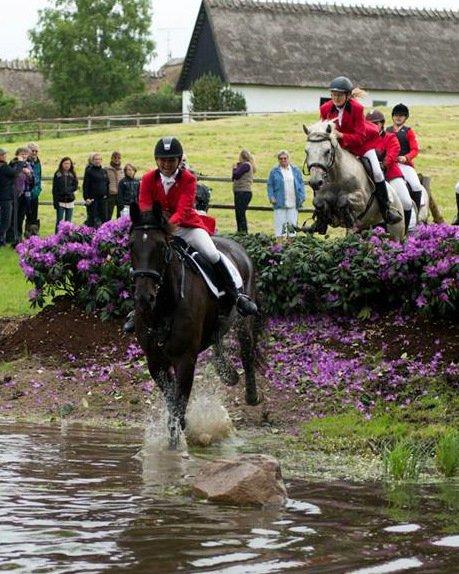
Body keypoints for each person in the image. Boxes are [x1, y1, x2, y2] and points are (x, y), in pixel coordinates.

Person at [123, 136, 257, 333]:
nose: (166, 164)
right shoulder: (148, 179)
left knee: (211, 253)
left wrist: (169, 225)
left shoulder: (188, 179)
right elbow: (145, 204)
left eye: (171, 160)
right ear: (157, 160)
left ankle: (237, 295)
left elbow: (185, 208)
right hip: (158, 229)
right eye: (162, 160)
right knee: (144, 260)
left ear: (178, 161)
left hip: (187, 227)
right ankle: (137, 310)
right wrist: (156, 225)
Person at [307, 76, 402, 233]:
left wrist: (342, 136)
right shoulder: (325, 108)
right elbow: (324, 131)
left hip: (361, 145)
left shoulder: (357, 108)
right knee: (320, 170)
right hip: (338, 148)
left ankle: (387, 209)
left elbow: (360, 136)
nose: (335, 98)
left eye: (339, 95)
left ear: (347, 95)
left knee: (377, 172)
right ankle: (320, 217)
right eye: (333, 94)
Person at [366, 110, 413, 234]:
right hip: (369, 176)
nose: (373, 126)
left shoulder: (390, 136)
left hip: (391, 174)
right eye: (369, 123)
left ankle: (405, 232)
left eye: (376, 123)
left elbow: (393, 153)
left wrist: (383, 165)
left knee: (406, 202)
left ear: (382, 124)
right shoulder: (365, 139)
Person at [386, 104, 424, 211]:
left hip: (405, 165)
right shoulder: (387, 130)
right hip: (390, 164)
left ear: (405, 117)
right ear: (392, 116)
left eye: (401, 116)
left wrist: (406, 158)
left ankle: (416, 211)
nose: (398, 117)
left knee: (416, 186)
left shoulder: (408, 131)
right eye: (396, 115)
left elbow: (415, 150)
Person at [267, 150, 305, 238]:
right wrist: (271, 196)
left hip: (293, 202)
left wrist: (302, 196)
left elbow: (301, 183)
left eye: (285, 158)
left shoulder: (295, 170)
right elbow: (270, 185)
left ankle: (291, 247)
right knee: (280, 226)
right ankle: (280, 247)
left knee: (292, 226)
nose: (283, 160)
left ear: (288, 159)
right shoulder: (274, 171)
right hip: (279, 202)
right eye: (281, 159)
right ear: (278, 160)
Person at [8, 147, 34, 245]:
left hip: (25, 194)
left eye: (25, 154)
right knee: (13, 216)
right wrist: (21, 169)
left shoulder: (28, 165)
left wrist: (29, 174)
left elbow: (32, 180)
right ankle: (12, 237)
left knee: (21, 216)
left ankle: (19, 236)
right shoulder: (12, 164)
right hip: (14, 193)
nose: (24, 155)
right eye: (22, 154)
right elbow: (11, 176)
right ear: (17, 154)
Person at [232, 149, 256, 234]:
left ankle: (243, 232)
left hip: (242, 192)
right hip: (242, 192)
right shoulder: (247, 165)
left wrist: (235, 168)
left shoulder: (246, 165)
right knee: (239, 213)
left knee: (240, 214)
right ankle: (242, 231)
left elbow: (236, 175)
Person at [52, 157, 78, 232]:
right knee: (59, 221)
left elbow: (75, 185)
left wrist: (69, 190)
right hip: (60, 201)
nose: (67, 165)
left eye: (69, 163)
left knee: (68, 221)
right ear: (62, 164)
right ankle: (57, 237)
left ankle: (67, 238)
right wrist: (55, 201)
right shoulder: (58, 174)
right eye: (65, 163)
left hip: (70, 200)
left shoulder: (72, 174)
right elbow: (55, 189)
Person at [83, 152, 109, 227]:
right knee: (92, 220)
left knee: (104, 219)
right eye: (96, 159)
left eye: (99, 159)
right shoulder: (89, 171)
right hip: (93, 200)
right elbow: (85, 185)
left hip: (103, 199)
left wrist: (106, 195)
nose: (97, 161)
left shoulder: (104, 171)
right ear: (93, 161)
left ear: (101, 160)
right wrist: (86, 198)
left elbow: (107, 183)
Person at [0, 148, 17, 246]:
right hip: (5, 196)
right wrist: (20, 164)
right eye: (4, 155)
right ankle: (1, 239)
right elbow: (15, 173)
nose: (5, 157)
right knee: (6, 220)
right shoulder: (4, 167)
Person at [26, 142, 42, 232]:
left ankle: (32, 234)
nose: (35, 153)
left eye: (36, 151)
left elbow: (39, 177)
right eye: (33, 151)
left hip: (35, 192)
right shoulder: (24, 161)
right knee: (24, 214)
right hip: (25, 192)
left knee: (34, 215)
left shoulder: (38, 162)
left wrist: (38, 189)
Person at [106, 151, 123, 219]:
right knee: (108, 213)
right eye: (115, 158)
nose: (116, 159)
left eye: (118, 158)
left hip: (120, 194)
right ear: (111, 158)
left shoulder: (122, 169)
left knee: (120, 213)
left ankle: (119, 228)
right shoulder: (107, 169)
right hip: (111, 194)